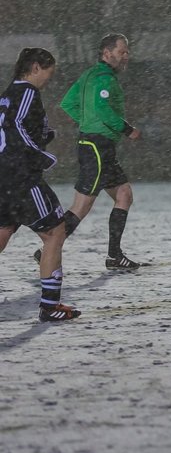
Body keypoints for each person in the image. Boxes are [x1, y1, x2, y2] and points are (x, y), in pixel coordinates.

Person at [49, 33, 146, 270]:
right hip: (96, 147)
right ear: (106, 53)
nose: (126, 56)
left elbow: (67, 103)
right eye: (121, 51)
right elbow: (102, 108)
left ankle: (115, 256)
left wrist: (87, 121)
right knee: (81, 207)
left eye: (127, 51)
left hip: (96, 146)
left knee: (124, 195)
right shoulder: (104, 78)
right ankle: (47, 248)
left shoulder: (88, 75)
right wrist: (127, 129)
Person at [0, 48, 81, 321]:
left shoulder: (7, 95)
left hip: (4, 176)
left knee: (2, 233)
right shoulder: (27, 92)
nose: (49, 78)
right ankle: (49, 306)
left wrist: (43, 135)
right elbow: (17, 125)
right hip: (20, 176)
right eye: (49, 72)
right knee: (55, 233)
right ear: (35, 68)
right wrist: (37, 153)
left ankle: (50, 304)